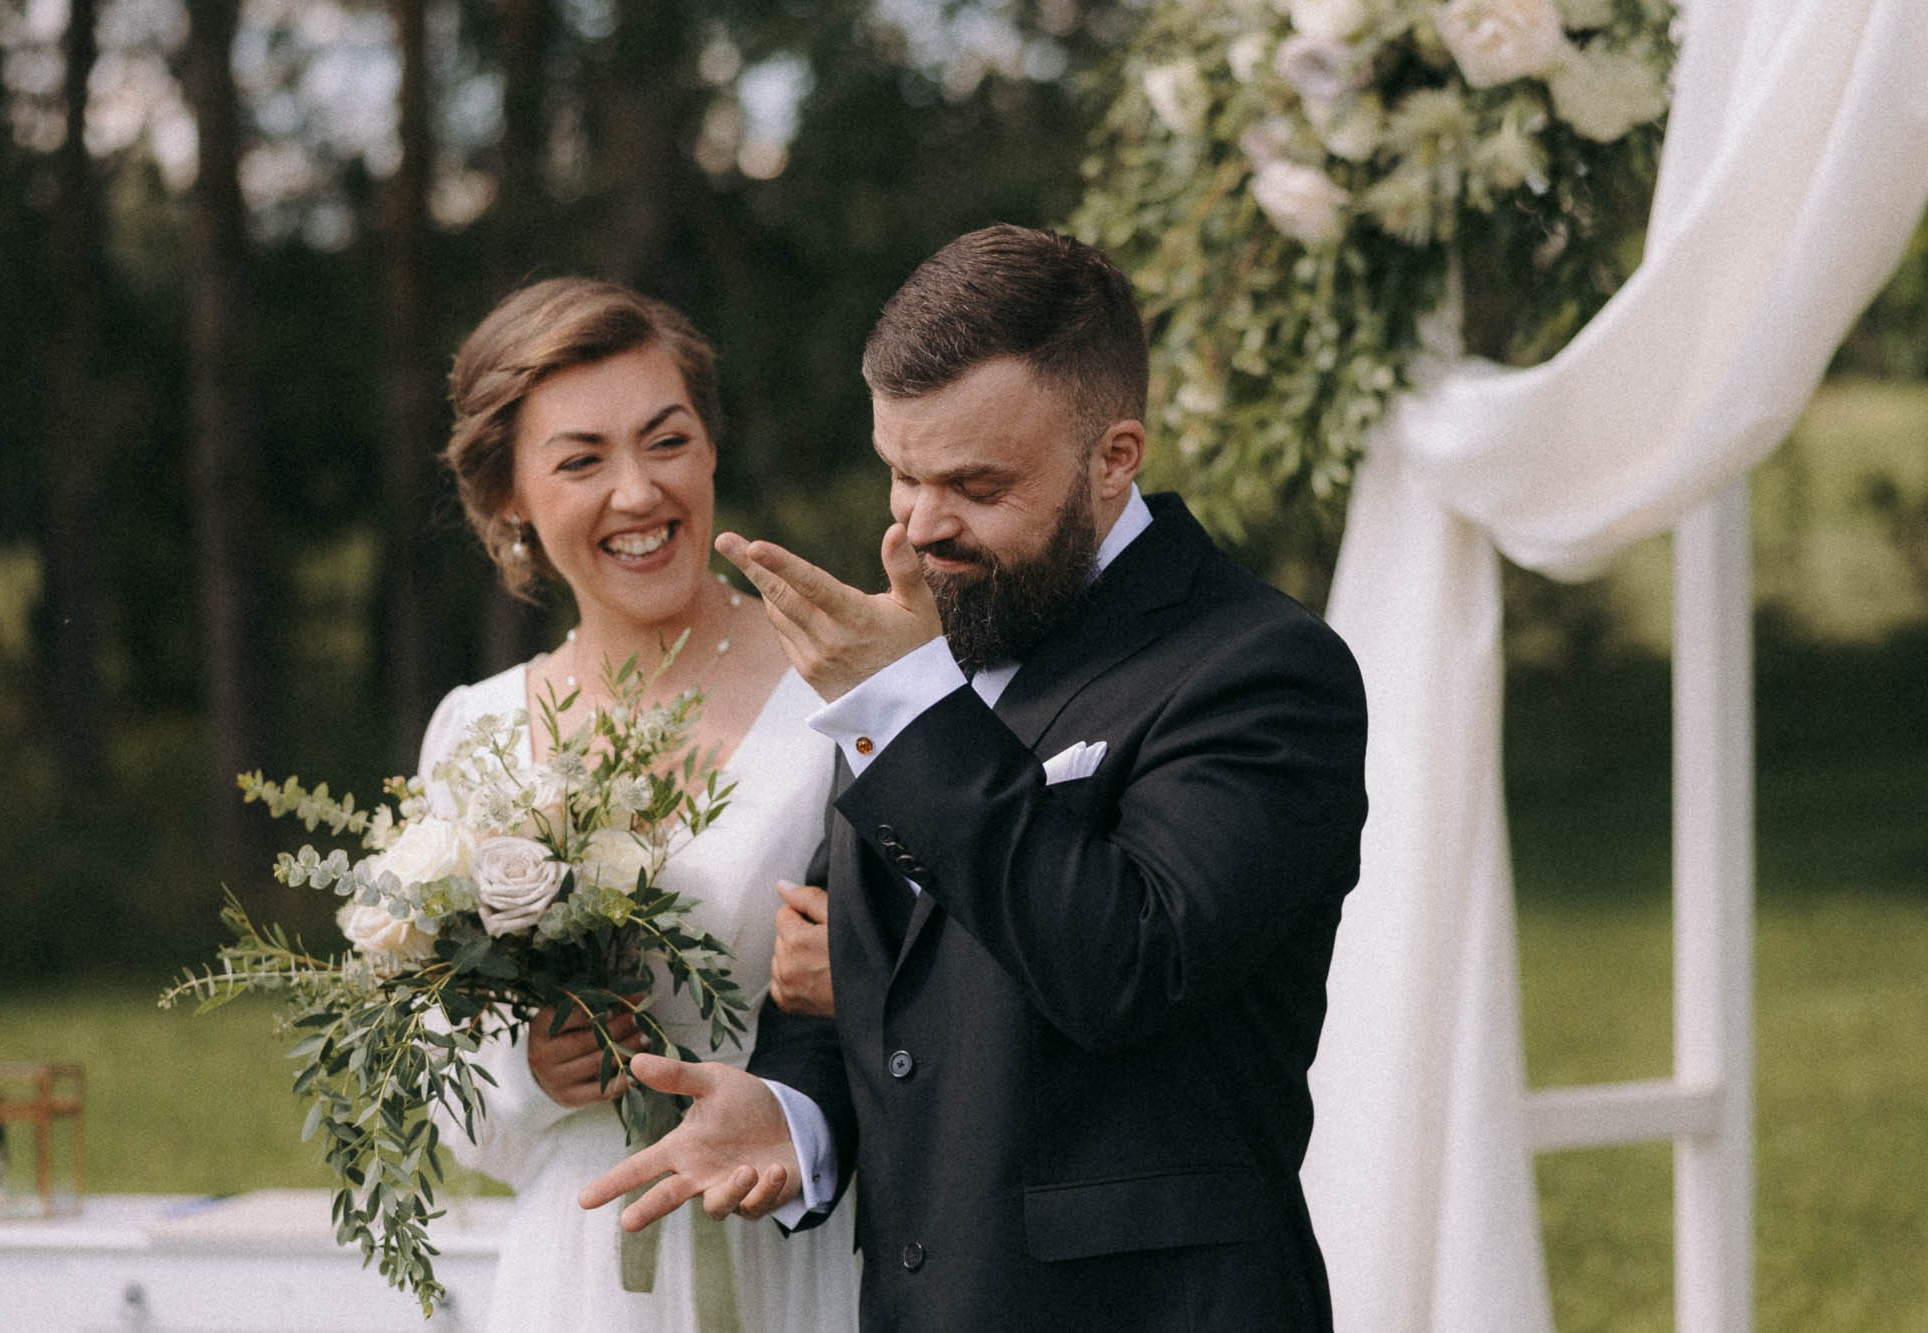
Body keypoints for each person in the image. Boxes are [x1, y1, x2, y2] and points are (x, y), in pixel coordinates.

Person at [578, 226, 1370, 1330]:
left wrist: (900, 711)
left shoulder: (1261, 670)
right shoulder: (937, 640)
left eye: (973, 483)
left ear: (1113, 455)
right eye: (900, 473)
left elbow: (1124, 961)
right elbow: (856, 950)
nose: (917, 524)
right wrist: (794, 1110)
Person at [419, 277, 860, 1331]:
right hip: (583, 1268)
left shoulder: (842, 687)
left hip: (805, 1254)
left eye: (665, 441)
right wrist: (527, 1067)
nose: (636, 493)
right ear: (509, 496)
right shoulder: (475, 734)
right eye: (581, 459)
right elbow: (435, 1075)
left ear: (709, 448)